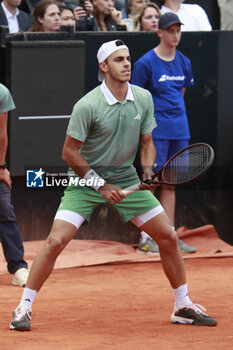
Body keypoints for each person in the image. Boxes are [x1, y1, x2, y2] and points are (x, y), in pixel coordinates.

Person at [10, 39, 217, 331]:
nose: (127, 64)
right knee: (55, 241)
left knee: (168, 237)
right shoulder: (88, 105)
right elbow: (69, 153)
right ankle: (23, 307)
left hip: (126, 181)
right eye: (119, 60)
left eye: (128, 59)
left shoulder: (143, 98)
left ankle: (183, 305)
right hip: (85, 183)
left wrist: (146, 171)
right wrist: (100, 185)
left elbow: (147, 142)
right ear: (104, 66)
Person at [131, 12, 197, 254]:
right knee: (151, 183)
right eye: (170, 30)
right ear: (159, 32)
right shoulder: (146, 63)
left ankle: (169, 235)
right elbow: (136, 99)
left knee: (171, 184)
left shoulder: (184, 62)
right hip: (156, 133)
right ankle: (146, 237)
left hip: (180, 130)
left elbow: (181, 94)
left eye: (178, 30)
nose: (175, 34)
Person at [0, 83, 29, 287]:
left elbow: (1, 134)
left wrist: (1, 167)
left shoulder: (1, 92)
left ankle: (18, 268)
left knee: (4, 208)